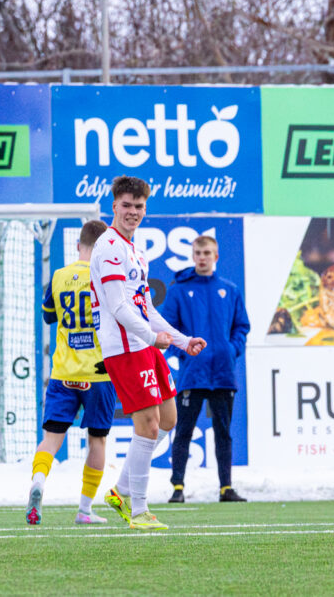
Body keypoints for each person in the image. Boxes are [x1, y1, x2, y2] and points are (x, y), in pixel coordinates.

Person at [90, 176, 206, 531]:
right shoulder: (109, 247)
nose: (133, 212)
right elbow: (118, 307)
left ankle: (121, 490)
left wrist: (182, 340)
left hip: (144, 343)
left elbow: (146, 307)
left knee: (168, 420)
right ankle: (139, 511)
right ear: (114, 206)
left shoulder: (135, 251)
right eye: (126, 205)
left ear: (145, 209)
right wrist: (152, 337)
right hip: (125, 347)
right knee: (149, 424)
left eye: (138, 206)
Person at [26, 219, 115, 525]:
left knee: (51, 439)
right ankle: (84, 510)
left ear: (79, 245)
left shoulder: (59, 276)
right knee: (97, 441)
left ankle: (38, 481)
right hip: (99, 373)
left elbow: (49, 316)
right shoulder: (106, 278)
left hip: (63, 372)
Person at [160, 235, 250, 503]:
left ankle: (226, 488)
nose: (202, 257)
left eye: (207, 253)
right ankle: (178, 487)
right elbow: (168, 330)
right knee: (183, 430)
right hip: (193, 374)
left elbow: (241, 327)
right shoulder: (179, 290)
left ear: (216, 256)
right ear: (192, 255)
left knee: (223, 432)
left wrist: (230, 350)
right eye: (198, 253)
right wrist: (184, 354)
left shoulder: (230, 290)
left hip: (223, 373)